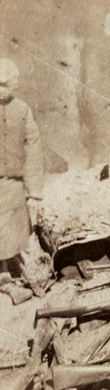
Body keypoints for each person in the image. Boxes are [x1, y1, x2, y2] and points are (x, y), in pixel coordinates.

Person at [0, 58, 44, 279]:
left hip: (15, 183)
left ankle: (12, 268)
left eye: (6, 85)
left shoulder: (22, 110)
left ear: (14, 86)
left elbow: (33, 147)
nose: (2, 90)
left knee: (16, 228)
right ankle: (3, 270)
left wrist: (34, 190)